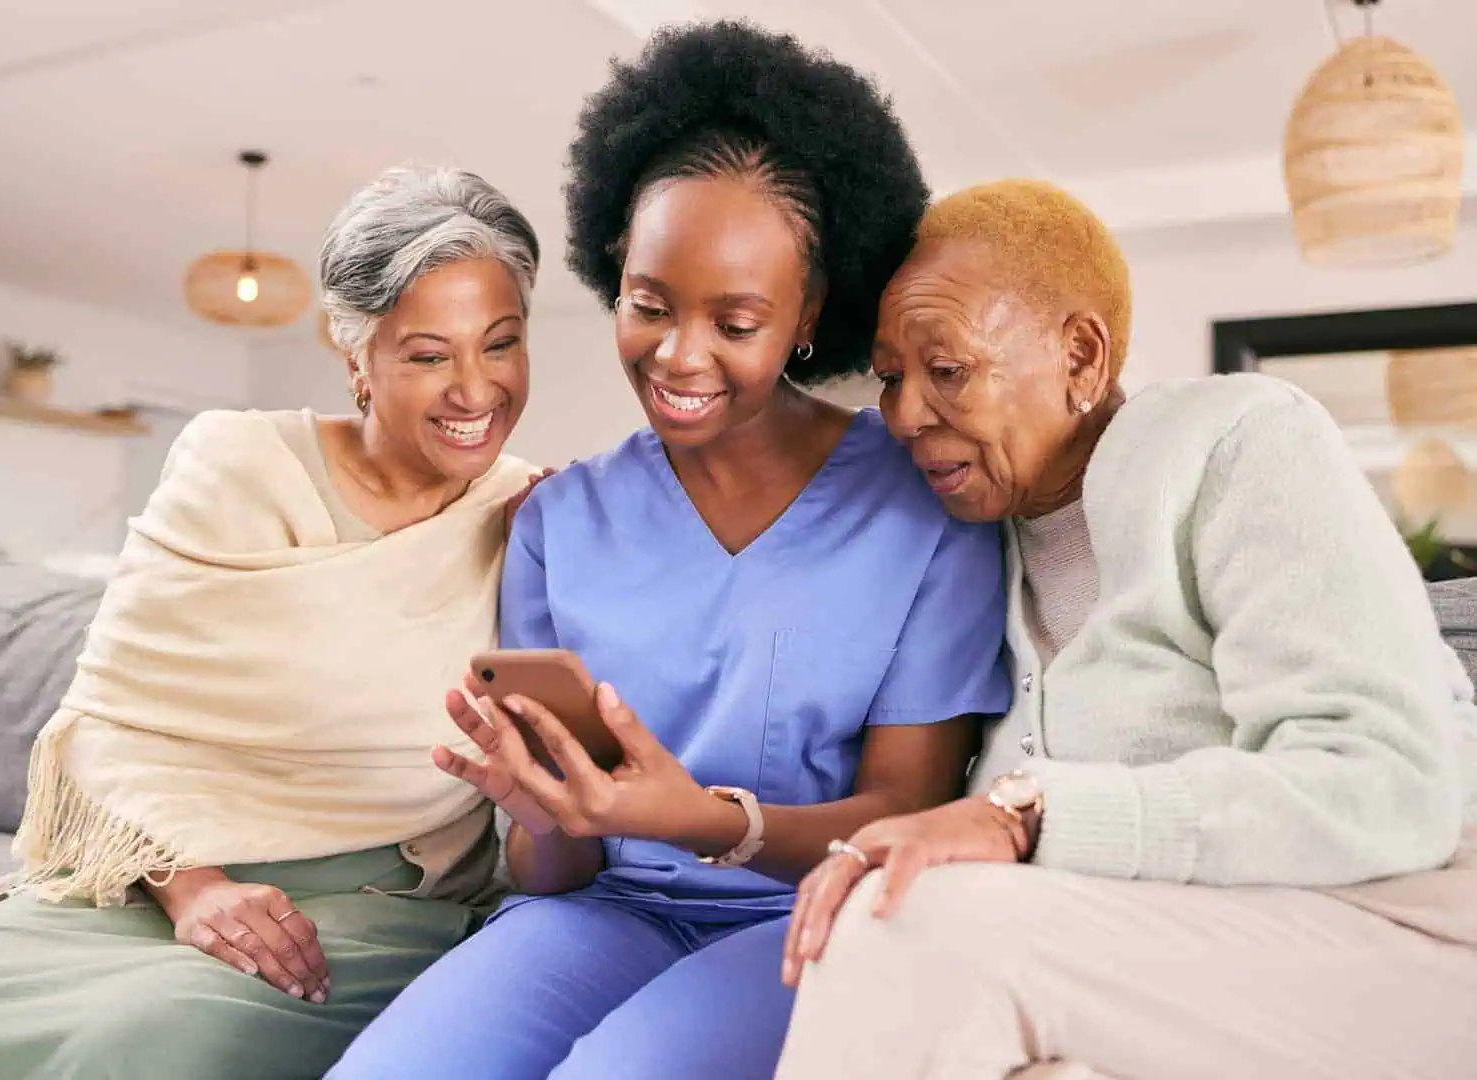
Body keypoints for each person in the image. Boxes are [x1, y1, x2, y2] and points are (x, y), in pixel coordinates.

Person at [327, 20, 1013, 1080]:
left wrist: (703, 822)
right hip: (602, 912)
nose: (678, 356)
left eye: (734, 322)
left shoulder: (918, 508)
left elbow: (904, 813)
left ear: (806, 316)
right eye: (649, 306)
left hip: (812, 915)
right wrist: (541, 811)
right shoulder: (561, 522)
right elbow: (554, 870)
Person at [774, 179, 1477, 1080]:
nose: (903, 413)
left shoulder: (1238, 440)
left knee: (913, 928)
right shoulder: (969, 545)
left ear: (1080, 356)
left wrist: (1023, 817)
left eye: (945, 370)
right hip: (1178, 977)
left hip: (1409, 937)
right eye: (890, 377)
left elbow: (1387, 788)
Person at [0, 165, 547, 1080]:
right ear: (356, 358)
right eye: (428, 355)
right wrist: (193, 885)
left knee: (146, 1049)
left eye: (499, 345)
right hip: (154, 873)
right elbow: (112, 717)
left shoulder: (533, 516)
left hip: (377, 900)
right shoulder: (239, 463)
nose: (474, 390)